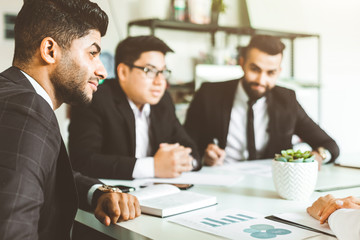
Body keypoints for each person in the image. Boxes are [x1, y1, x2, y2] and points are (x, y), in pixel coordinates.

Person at [0, 1, 141, 239]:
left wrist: (97, 191)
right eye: (93, 53)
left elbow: (40, 173)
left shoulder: (13, 96)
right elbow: (12, 229)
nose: (102, 71)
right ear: (50, 50)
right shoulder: (28, 108)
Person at [184, 35, 339, 167]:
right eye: (255, 69)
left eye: (270, 73)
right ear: (242, 63)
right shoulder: (209, 94)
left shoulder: (287, 100)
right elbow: (186, 145)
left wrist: (319, 157)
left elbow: (329, 145)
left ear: (279, 72)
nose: (261, 80)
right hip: (220, 181)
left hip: (270, 185)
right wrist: (204, 157)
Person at [68, 35, 201, 180]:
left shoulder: (163, 102)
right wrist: (153, 167)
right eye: (150, 71)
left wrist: (184, 162)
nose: (160, 81)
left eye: (162, 72)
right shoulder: (96, 99)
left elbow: (190, 149)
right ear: (123, 72)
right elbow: (82, 162)